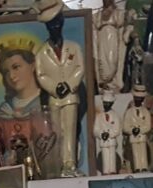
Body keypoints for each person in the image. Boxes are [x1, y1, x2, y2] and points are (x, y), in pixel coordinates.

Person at [34, 0, 85, 177]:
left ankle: (69, 164)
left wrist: (69, 85)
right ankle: (57, 165)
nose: (54, 27)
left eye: (57, 22)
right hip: (54, 98)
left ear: (62, 22)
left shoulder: (74, 47)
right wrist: (54, 88)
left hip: (70, 97)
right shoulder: (41, 52)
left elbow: (80, 68)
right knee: (56, 132)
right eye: (50, 24)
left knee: (70, 130)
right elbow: (41, 75)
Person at [0, 44, 43, 119]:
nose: (11, 76)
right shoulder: (5, 110)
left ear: (33, 66)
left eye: (16, 67)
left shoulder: (47, 101)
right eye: (6, 72)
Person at [122, 84, 151, 172]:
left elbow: (148, 126)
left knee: (143, 153)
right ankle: (137, 167)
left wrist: (140, 129)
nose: (138, 100)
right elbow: (125, 126)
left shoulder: (145, 112)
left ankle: (144, 167)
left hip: (142, 136)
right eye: (136, 98)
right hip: (133, 137)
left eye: (140, 99)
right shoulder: (129, 112)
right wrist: (132, 130)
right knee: (136, 153)